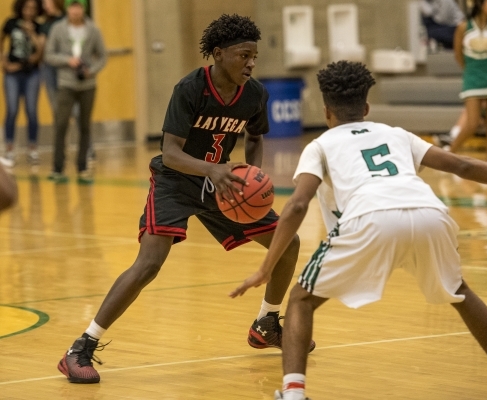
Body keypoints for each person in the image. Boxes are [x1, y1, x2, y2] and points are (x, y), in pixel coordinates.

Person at [231, 61, 487, 400]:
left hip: (368, 219)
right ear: (367, 107)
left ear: (326, 112)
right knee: (459, 291)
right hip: (429, 213)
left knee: (300, 300)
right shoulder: (394, 133)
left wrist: (266, 267)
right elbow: (462, 164)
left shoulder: (320, 145)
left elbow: (296, 205)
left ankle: (293, 394)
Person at [56, 14, 314, 385]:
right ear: (219, 54)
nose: (251, 63)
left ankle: (267, 322)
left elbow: (255, 137)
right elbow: (171, 152)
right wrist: (212, 170)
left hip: (223, 184)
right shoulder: (191, 88)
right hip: (175, 181)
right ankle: (80, 347)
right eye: (244, 55)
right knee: (148, 264)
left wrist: (251, 176)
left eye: (254, 56)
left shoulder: (255, 93)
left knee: (286, 243)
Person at [44, 0, 106, 184]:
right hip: (66, 83)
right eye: (72, 6)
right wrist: (67, 61)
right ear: (67, 9)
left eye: (79, 6)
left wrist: (92, 70)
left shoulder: (93, 29)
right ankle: (57, 167)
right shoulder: (58, 28)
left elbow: (102, 56)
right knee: (61, 123)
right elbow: (49, 55)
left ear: (84, 9)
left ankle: (82, 167)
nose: (75, 10)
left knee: (85, 125)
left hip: (87, 85)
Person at [449, 0, 487, 164]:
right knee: (472, 123)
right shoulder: (463, 27)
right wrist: (472, 70)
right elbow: (458, 55)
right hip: (472, 78)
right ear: (480, 4)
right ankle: (449, 154)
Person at [0, 0, 44, 169]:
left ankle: (33, 147)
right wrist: (3, 61)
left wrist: (32, 33)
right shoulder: (11, 23)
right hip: (12, 72)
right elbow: (2, 39)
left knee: (31, 110)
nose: (29, 11)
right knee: (12, 109)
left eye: (33, 8)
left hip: (31, 72)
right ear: (21, 8)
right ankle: (9, 147)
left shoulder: (38, 26)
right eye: (27, 7)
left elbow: (40, 51)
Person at [39, 0, 64, 113]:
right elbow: (41, 46)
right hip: (48, 66)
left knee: (72, 105)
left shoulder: (66, 20)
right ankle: (60, 130)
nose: (45, 6)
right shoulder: (45, 24)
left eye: (47, 3)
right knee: (55, 105)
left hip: (65, 65)